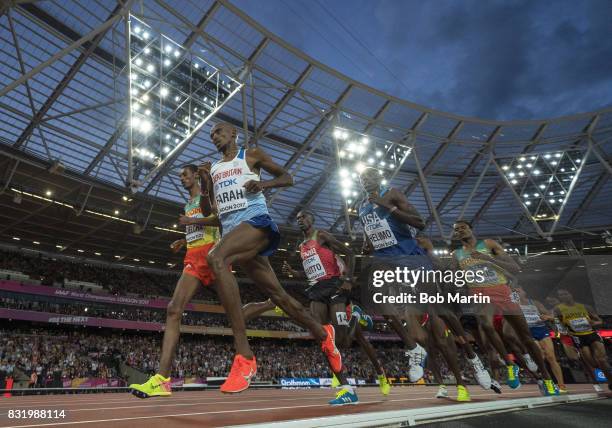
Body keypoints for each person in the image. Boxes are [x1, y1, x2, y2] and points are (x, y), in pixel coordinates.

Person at [202, 123, 345, 403]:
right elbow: (213, 212)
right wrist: (207, 186)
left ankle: (244, 356)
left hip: (257, 222)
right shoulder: (215, 169)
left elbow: (288, 177)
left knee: (216, 258)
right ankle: (323, 333)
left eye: (219, 131)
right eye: (211, 135)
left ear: (232, 134)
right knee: (279, 296)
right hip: (234, 232)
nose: (215, 136)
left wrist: (262, 183)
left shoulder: (251, 155)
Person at [129, 164, 220, 398]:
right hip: (193, 259)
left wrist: (189, 225)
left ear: (196, 176)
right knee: (173, 310)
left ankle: (272, 304)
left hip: (213, 256)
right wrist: (185, 238)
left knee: (237, 312)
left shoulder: (207, 196)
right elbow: (198, 226)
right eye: (180, 176)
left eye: (185, 175)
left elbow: (219, 222)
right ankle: (162, 379)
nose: (181, 179)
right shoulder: (188, 204)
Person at [282, 209, 390, 397]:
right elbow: (311, 272)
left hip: (334, 287)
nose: (300, 220)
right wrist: (294, 272)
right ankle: (345, 386)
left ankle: (356, 317)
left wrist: (348, 279)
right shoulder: (302, 246)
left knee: (346, 341)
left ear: (312, 219)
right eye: (297, 218)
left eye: (304, 217)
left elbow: (349, 253)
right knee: (322, 337)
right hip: (316, 291)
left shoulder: (321, 235)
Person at [451, 220, 558, 396]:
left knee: (526, 338)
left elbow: (515, 268)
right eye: (457, 230)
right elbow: (455, 279)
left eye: (463, 228)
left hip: (502, 290)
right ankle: (510, 365)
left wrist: (487, 258)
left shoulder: (489, 244)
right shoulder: (457, 254)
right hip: (479, 293)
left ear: (471, 228)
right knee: (485, 325)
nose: (460, 231)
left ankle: (547, 378)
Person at [554, 288, 612, 390]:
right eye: (560, 295)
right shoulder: (558, 309)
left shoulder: (584, 307)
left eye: (565, 293)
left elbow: (600, 321)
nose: (563, 296)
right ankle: (602, 377)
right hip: (578, 337)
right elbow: (558, 324)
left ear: (571, 294)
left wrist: (595, 323)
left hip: (591, 334)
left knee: (602, 360)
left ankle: (610, 381)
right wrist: (563, 332)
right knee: (593, 363)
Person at [517, 286, 567, 393]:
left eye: (519, 290)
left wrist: (547, 317)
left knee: (551, 357)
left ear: (524, 292)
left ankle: (561, 386)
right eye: (514, 291)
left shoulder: (535, 303)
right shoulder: (514, 306)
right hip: (528, 333)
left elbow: (551, 316)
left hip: (541, 330)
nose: (517, 292)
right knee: (540, 357)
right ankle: (547, 382)